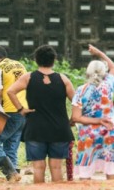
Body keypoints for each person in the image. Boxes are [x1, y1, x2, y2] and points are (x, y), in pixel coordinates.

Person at [7, 45, 75, 183]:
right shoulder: (63, 79)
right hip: (60, 129)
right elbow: (77, 102)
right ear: (54, 60)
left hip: (35, 128)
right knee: (56, 168)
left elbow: (10, 91)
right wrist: (73, 119)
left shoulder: (28, 78)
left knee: (38, 168)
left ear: (36, 60)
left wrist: (21, 109)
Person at [71, 44, 114, 180]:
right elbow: (113, 66)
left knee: (85, 172)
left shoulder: (81, 90)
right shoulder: (108, 85)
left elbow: (76, 117)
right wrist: (98, 52)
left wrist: (95, 120)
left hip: (87, 135)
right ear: (104, 72)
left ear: (87, 72)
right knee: (111, 171)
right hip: (109, 132)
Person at [0, 45, 27, 182]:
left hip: (9, 111)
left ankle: (10, 173)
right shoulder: (19, 65)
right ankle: (15, 173)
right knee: (11, 144)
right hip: (23, 110)